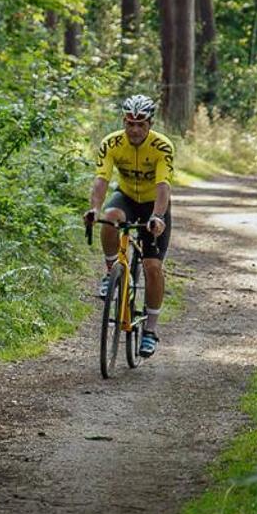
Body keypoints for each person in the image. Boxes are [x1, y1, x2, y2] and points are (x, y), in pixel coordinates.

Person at [85, 94, 173, 359]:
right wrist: (94, 209)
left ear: (150, 123)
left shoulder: (162, 146)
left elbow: (163, 186)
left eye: (141, 124)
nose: (135, 130)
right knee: (110, 216)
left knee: (153, 267)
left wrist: (157, 217)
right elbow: (102, 180)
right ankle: (112, 270)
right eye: (130, 123)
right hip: (126, 197)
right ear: (124, 121)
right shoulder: (111, 143)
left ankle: (150, 331)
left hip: (153, 204)